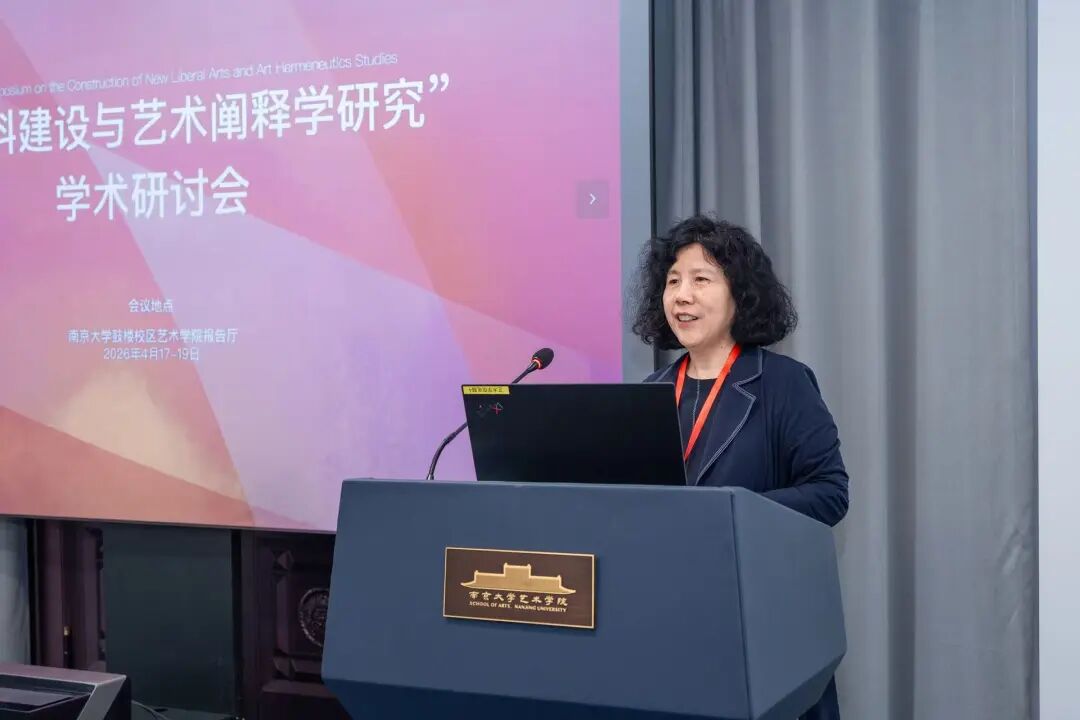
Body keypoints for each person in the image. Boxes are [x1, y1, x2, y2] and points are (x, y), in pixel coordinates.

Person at [633, 214, 848, 720]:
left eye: (700, 280)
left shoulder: (784, 383)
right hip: (670, 623)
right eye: (672, 282)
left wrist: (734, 513)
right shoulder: (648, 393)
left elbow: (830, 492)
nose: (681, 296)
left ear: (740, 295)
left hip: (761, 626)